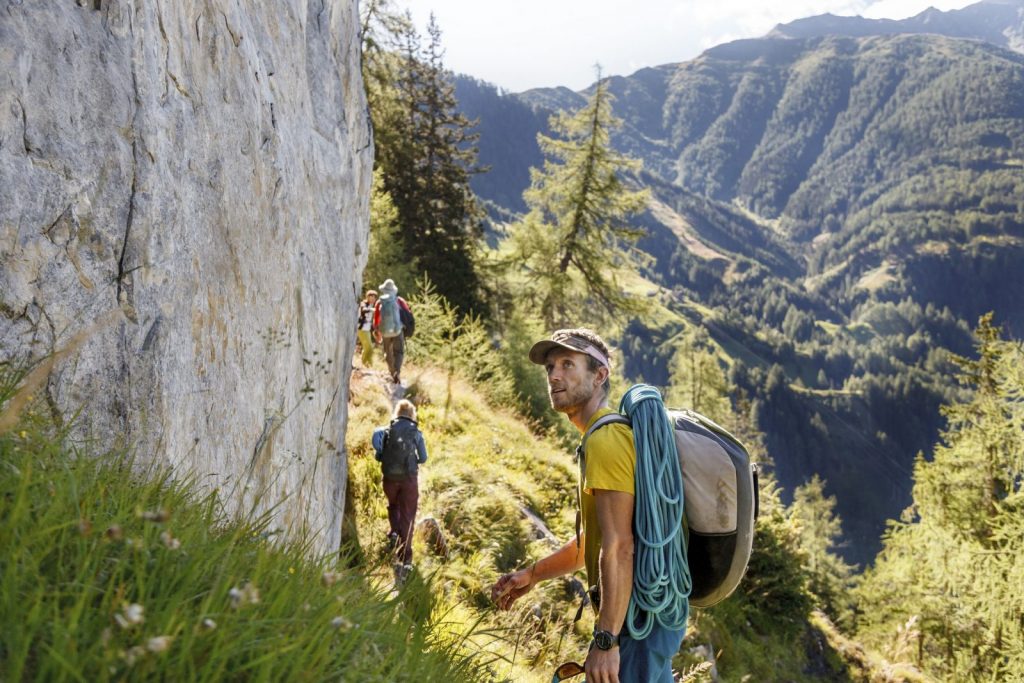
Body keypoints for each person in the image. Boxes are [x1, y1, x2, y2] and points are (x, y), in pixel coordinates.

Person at [489, 328, 686, 683]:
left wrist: (607, 640)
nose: (554, 375)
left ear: (599, 375)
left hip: (637, 623)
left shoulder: (606, 440)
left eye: (568, 364)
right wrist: (533, 575)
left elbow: (620, 547)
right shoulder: (599, 437)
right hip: (643, 616)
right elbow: (589, 545)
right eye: (550, 366)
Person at [372, 399, 428, 582]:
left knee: (393, 505)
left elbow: (379, 455)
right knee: (408, 516)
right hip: (408, 480)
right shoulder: (416, 432)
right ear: (412, 414)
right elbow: (424, 458)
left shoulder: (388, 430)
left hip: (389, 478)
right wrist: (412, 460)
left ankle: (394, 533)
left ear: (397, 412)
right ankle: (405, 560)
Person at [373, 278, 412, 384]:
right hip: (398, 330)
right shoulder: (399, 300)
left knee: (387, 352)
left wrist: (377, 330)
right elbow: (408, 313)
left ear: (384, 290)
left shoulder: (379, 302)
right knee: (398, 351)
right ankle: (397, 372)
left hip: (385, 331)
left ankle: (392, 371)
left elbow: (376, 319)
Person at [356, 289, 377, 368]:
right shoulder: (364, 303)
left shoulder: (372, 305)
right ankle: (365, 363)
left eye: (374, 297)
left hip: (367, 329)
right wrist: (372, 310)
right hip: (362, 329)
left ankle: (369, 364)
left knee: (369, 348)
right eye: (371, 297)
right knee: (369, 348)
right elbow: (363, 310)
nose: (373, 299)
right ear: (367, 297)